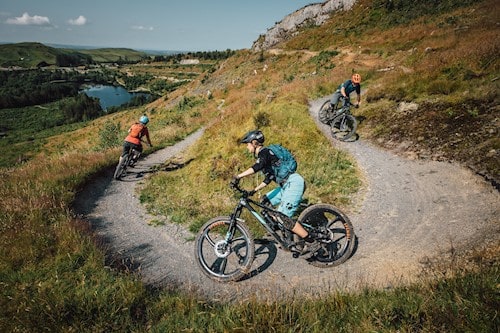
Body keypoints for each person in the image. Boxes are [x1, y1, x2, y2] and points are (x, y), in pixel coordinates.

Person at [232, 130, 321, 257]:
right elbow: (268, 178)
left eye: (248, 144)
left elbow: (257, 167)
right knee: (265, 201)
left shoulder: (264, 152)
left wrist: (238, 176)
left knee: (282, 217)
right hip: (285, 185)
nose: (247, 147)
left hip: (293, 183)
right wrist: (254, 190)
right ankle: (284, 233)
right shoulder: (266, 158)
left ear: (254, 143)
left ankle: (311, 242)